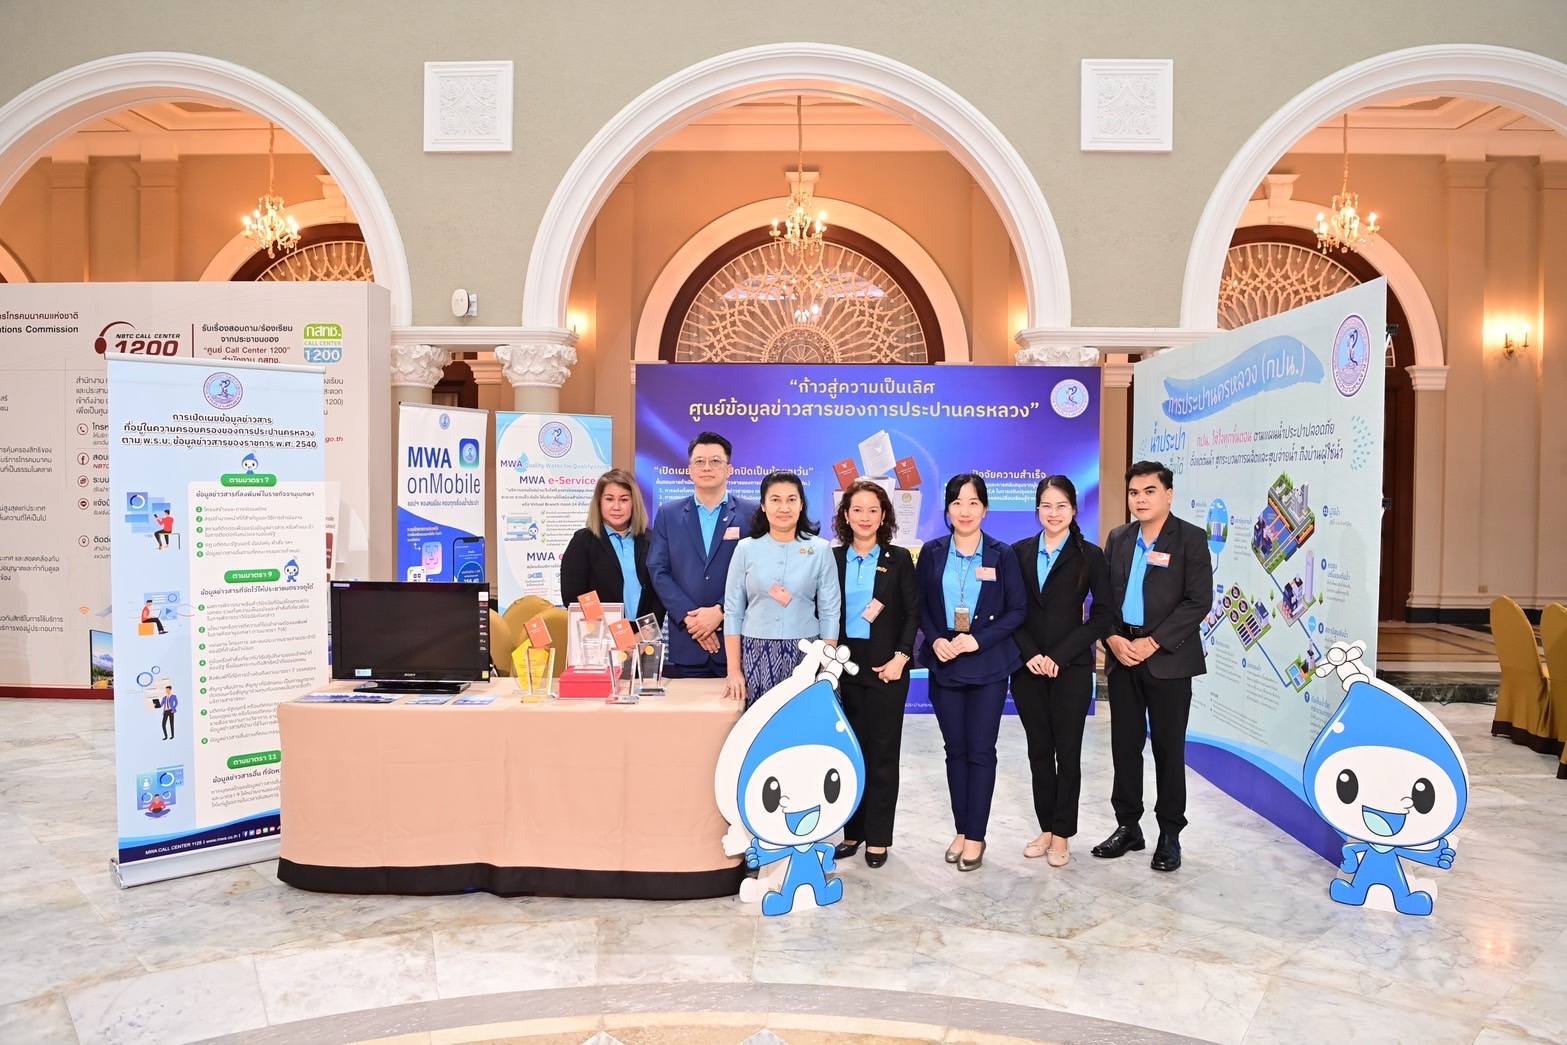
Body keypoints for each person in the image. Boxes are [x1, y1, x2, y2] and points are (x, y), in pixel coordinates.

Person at [1093, 461, 1214, 873]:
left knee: (1167, 749)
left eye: (1149, 491)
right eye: (1134, 493)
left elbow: (1198, 601)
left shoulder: (1191, 539)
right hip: (1122, 654)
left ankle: (1169, 834)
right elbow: (1104, 598)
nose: (1140, 499)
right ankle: (1128, 827)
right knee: (1124, 747)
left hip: (1167, 659)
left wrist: (1153, 642)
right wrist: (1112, 638)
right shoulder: (1119, 538)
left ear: (1169, 495)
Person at [915, 474, 1027, 872]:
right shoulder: (931, 552)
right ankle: (961, 830)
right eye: (957, 503)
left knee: (981, 751)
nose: (965, 511)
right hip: (945, 661)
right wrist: (935, 640)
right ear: (947, 509)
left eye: (973, 503)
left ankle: (976, 835)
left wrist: (977, 641)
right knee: (955, 750)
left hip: (988, 664)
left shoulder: (1002, 554)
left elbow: (1017, 610)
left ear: (985, 509)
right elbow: (921, 605)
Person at [1010, 475, 1112, 868]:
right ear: (1037, 509)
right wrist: (1031, 654)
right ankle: (1047, 828)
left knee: (1067, 753)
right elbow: (1009, 612)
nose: (1053, 513)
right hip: (1028, 669)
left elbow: (1102, 616)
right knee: (1038, 751)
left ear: (1073, 509)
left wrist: (1060, 656)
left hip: (1071, 669)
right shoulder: (1018, 552)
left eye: (1061, 506)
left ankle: (1063, 834)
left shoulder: (1090, 555)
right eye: (1046, 506)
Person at [831, 479, 919, 869]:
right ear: (845, 516)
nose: (864, 517)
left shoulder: (898, 558)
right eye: (857, 510)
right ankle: (853, 831)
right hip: (842, 667)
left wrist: (902, 656)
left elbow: (913, 613)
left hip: (887, 667)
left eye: (873, 510)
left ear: (883, 516)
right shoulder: (832, 559)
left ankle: (879, 837)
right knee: (848, 752)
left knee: (882, 753)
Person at [723, 472, 840, 706]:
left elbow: (830, 612)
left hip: (808, 652)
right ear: (763, 505)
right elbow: (733, 612)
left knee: (807, 720)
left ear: (801, 504)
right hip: (756, 651)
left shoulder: (820, 549)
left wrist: (827, 666)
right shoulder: (745, 549)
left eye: (791, 499)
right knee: (761, 722)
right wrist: (734, 670)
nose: (784, 507)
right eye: (775, 500)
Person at [647, 432, 757, 678]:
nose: (707, 467)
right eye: (700, 461)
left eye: (715, 461)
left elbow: (756, 571)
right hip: (688, 639)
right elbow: (658, 570)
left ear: (729, 470)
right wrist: (693, 620)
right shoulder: (668, 514)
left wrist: (720, 612)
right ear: (689, 470)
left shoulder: (752, 513)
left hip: (736, 639)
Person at [560, 468, 665, 625]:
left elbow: (659, 595)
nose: (616, 507)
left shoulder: (650, 540)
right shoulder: (582, 541)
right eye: (609, 499)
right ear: (599, 502)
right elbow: (572, 596)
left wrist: (646, 632)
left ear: (634, 503)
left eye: (624, 500)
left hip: (642, 632)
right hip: (600, 631)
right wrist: (608, 631)